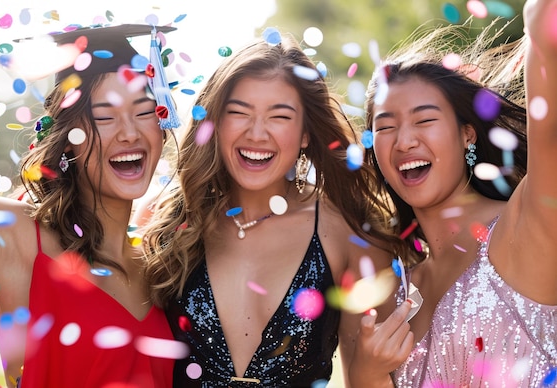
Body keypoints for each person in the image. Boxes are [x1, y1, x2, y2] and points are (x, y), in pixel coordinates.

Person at [142, 31, 413, 387]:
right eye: (238, 112)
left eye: (279, 116)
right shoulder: (169, 222)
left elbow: (367, 379)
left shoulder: (348, 233)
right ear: (216, 123)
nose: (256, 133)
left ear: (305, 133)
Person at [0, 23, 181, 387]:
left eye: (144, 112)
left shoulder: (162, 267)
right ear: (67, 139)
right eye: (104, 117)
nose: (130, 132)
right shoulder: (20, 240)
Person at [349, 1, 557, 386]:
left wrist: (540, 23)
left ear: (467, 134)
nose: (405, 141)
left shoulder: (527, 225)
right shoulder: (391, 293)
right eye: (385, 127)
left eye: (424, 120)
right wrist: (364, 374)